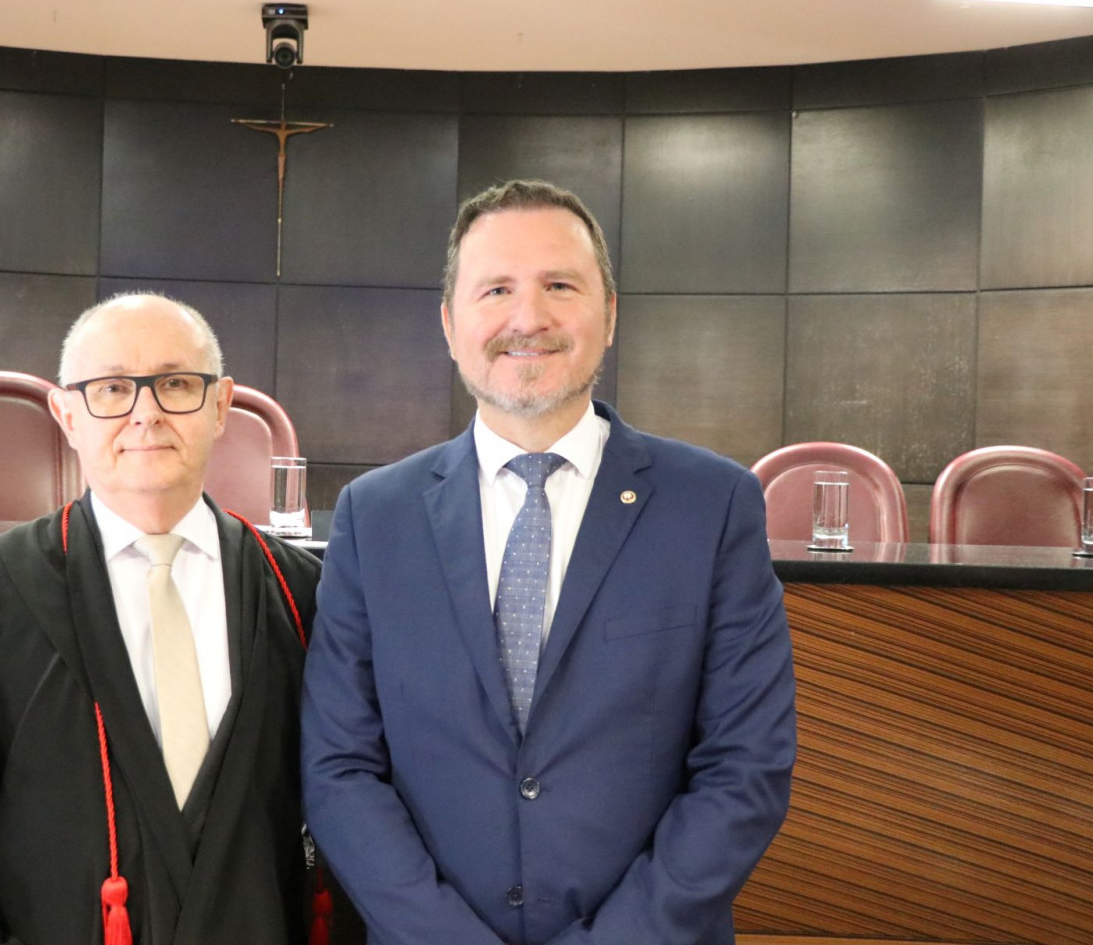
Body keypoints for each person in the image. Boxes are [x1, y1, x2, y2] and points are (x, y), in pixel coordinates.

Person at [301, 180, 796, 944]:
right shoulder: (375, 517)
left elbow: (745, 768)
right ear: (449, 323)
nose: (528, 318)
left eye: (560, 286)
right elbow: (339, 768)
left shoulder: (713, 506)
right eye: (496, 289)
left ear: (611, 314)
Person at [0, 293, 321, 945]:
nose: (146, 413)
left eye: (176, 384)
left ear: (221, 404)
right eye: (112, 388)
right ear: (66, 414)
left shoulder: (305, 595)